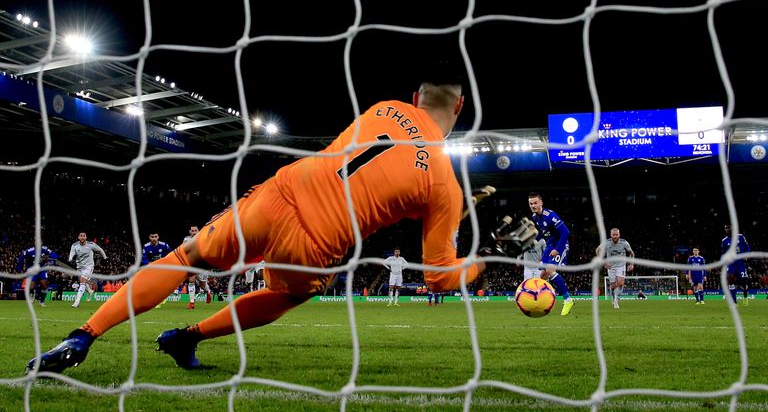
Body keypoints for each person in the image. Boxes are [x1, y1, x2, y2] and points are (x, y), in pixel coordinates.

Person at [27, 61, 536, 374]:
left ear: (414, 98)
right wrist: (485, 260)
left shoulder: (384, 109)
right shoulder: (444, 182)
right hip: (316, 242)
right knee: (286, 294)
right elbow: (439, 278)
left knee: (186, 257)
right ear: (461, 105)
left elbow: (377, 172)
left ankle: (84, 335)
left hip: (282, 191)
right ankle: (187, 337)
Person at [528, 192, 574, 316]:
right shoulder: (534, 217)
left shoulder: (550, 215)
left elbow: (565, 232)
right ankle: (546, 301)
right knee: (542, 275)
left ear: (541, 202)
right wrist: (533, 240)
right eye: (531, 203)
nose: (533, 205)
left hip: (561, 245)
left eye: (535, 203)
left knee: (549, 269)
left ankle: (568, 300)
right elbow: (543, 233)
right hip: (549, 246)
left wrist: (558, 249)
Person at [596, 228, 635, 309]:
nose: (615, 236)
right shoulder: (606, 243)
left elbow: (631, 253)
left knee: (620, 283)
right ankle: (613, 298)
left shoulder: (624, 243)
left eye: (616, 234)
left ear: (619, 235)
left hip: (621, 265)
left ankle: (617, 300)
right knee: (613, 286)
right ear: (611, 235)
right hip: (611, 267)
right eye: (613, 235)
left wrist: (631, 263)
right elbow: (597, 250)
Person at [68, 232, 107, 308]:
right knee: (83, 282)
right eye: (81, 236)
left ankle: (77, 302)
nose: (82, 237)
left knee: (82, 280)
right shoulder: (74, 245)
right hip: (79, 267)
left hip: (88, 266)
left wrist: (105, 258)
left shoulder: (91, 245)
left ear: (86, 237)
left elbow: (100, 250)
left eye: (84, 236)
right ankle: (89, 290)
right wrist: (70, 258)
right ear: (78, 237)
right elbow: (72, 253)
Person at [183, 226, 212, 309]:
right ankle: (191, 303)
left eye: (195, 230)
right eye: (192, 231)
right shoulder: (186, 239)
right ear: (190, 232)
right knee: (191, 280)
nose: (194, 232)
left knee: (202, 284)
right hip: (192, 262)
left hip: (202, 263)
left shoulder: (203, 238)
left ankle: (208, 292)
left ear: (198, 231)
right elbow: (183, 250)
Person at [142, 232, 174, 308]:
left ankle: (159, 299)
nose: (154, 238)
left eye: (155, 236)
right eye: (152, 237)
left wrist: (167, 262)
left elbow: (171, 254)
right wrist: (148, 264)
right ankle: (155, 299)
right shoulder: (146, 247)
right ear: (149, 237)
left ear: (158, 237)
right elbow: (144, 258)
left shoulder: (164, 245)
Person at [722, 224, 751, 306]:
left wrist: (746, 255)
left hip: (741, 263)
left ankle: (745, 296)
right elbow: (723, 253)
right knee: (730, 280)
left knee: (744, 282)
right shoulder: (724, 241)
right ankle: (734, 302)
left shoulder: (741, 237)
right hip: (731, 264)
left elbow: (747, 247)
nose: (727, 229)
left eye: (728, 228)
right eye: (725, 228)